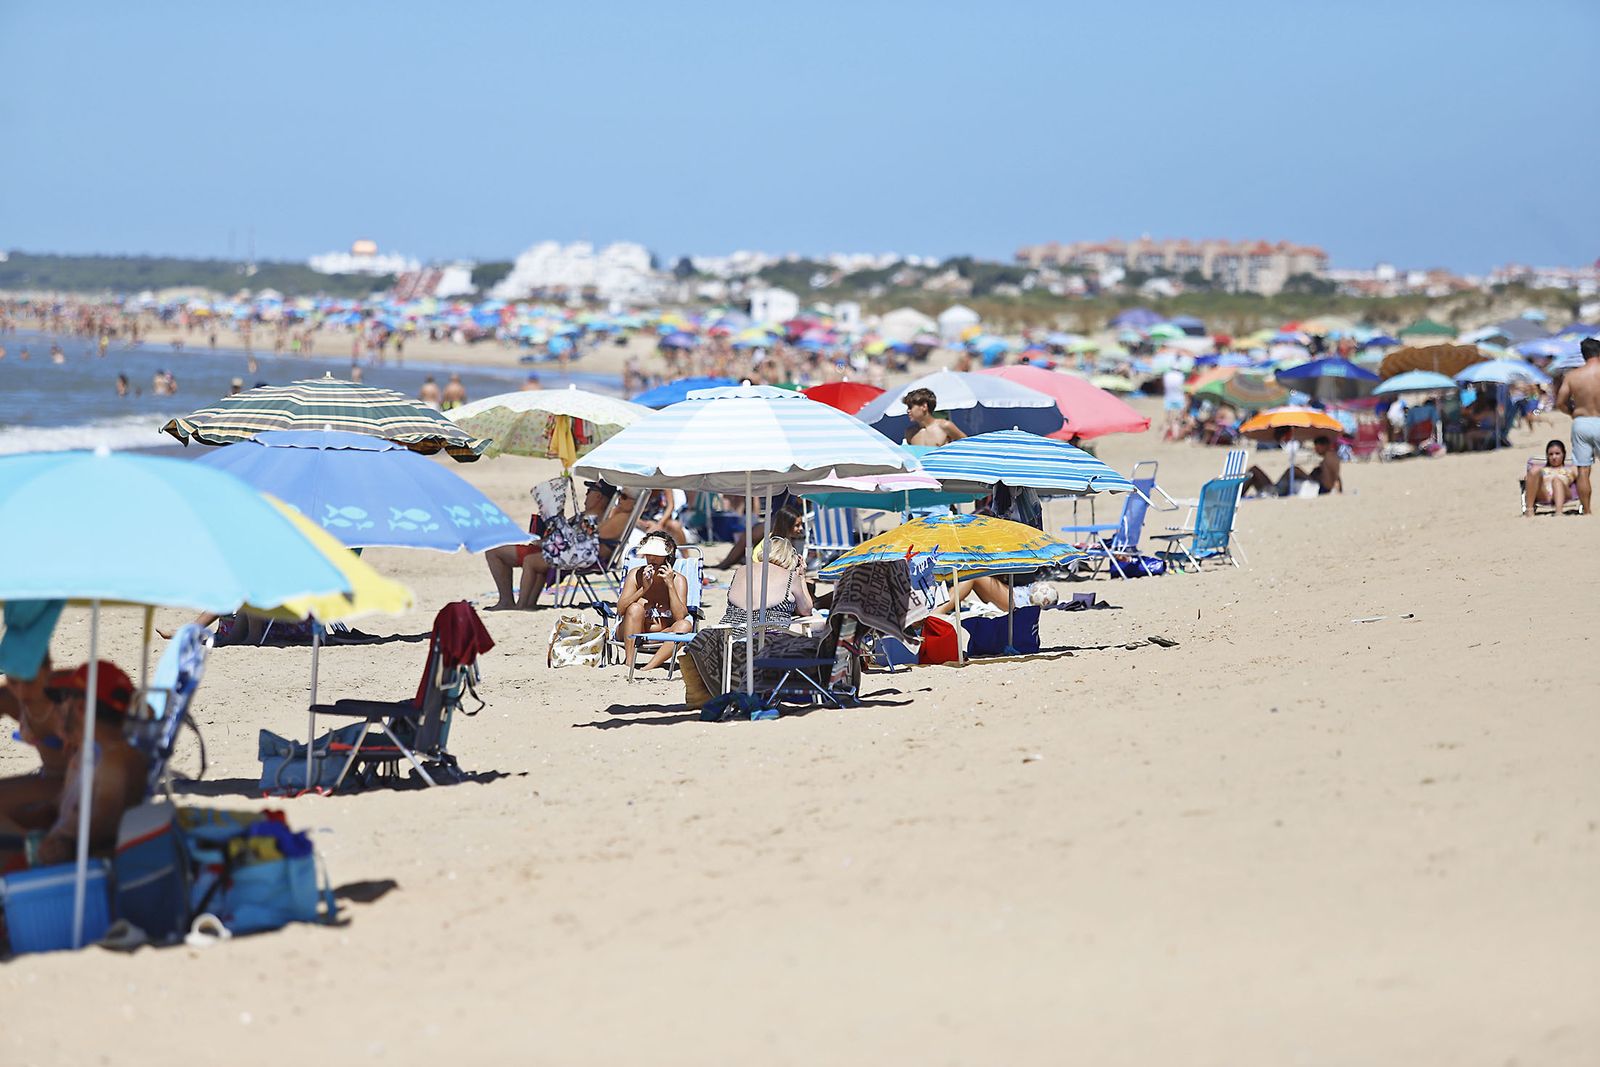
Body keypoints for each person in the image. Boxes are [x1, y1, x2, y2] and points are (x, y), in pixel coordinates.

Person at [0, 661, 147, 870]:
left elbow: (100, 835)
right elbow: (56, 810)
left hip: (68, 874)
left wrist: (59, 846)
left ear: (80, 708)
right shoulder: (88, 755)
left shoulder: (112, 765)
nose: (57, 708)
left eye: (61, 700)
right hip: (51, 852)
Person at [615, 534, 693, 670]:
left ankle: (648, 667)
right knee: (635, 608)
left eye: (656, 554)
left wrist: (670, 585)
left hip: (662, 635)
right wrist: (643, 589)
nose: (651, 558)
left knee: (685, 625)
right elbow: (620, 610)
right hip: (631, 632)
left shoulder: (678, 580)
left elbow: (680, 617)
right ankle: (629, 663)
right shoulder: (635, 575)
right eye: (648, 554)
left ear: (667, 557)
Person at [721, 529, 813, 631]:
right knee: (818, 620)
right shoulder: (790, 577)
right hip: (769, 633)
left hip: (731, 631)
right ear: (789, 558)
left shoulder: (740, 570)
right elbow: (806, 610)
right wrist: (802, 577)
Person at [1555, 337, 1600, 515]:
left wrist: (1572, 412)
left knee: (1583, 469)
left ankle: (1587, 510)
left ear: (1583, 355)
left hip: (1582, 422)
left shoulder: (1573, 376)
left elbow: (1560, 402)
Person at [1242, 434, 1342, 496]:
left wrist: (1311, 478)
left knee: (1254, 470)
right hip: (1285, 488)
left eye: (1316, 446)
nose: (1315, 449)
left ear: (1323, 446)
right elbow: (1336, 477)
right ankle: (1237, 494)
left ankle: (1235, 496)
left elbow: (1327, 482)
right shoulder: (1332, 457)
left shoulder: (1328, 459)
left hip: (1277, 492)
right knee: (1254, 471)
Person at [933, 577, 1059, 616]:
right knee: (970, 575)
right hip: (1018, 594)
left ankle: (937, 613)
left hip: (1018, 600)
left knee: (973, 577)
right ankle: (939, 607)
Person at [1525, 439, 1577, 516]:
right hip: (1545, 495)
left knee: (1556, 481)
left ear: (1564, 454)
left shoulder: (1571, 469)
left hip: (1564, 494)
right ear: (1547, 456)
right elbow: (1529, 477)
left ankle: (1558, 512)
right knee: (1533, 470)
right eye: (1550, 454)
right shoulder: (1542, 469)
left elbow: (1583, 477)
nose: (1554, 457)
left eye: (1557, 453)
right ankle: (1529, 510)